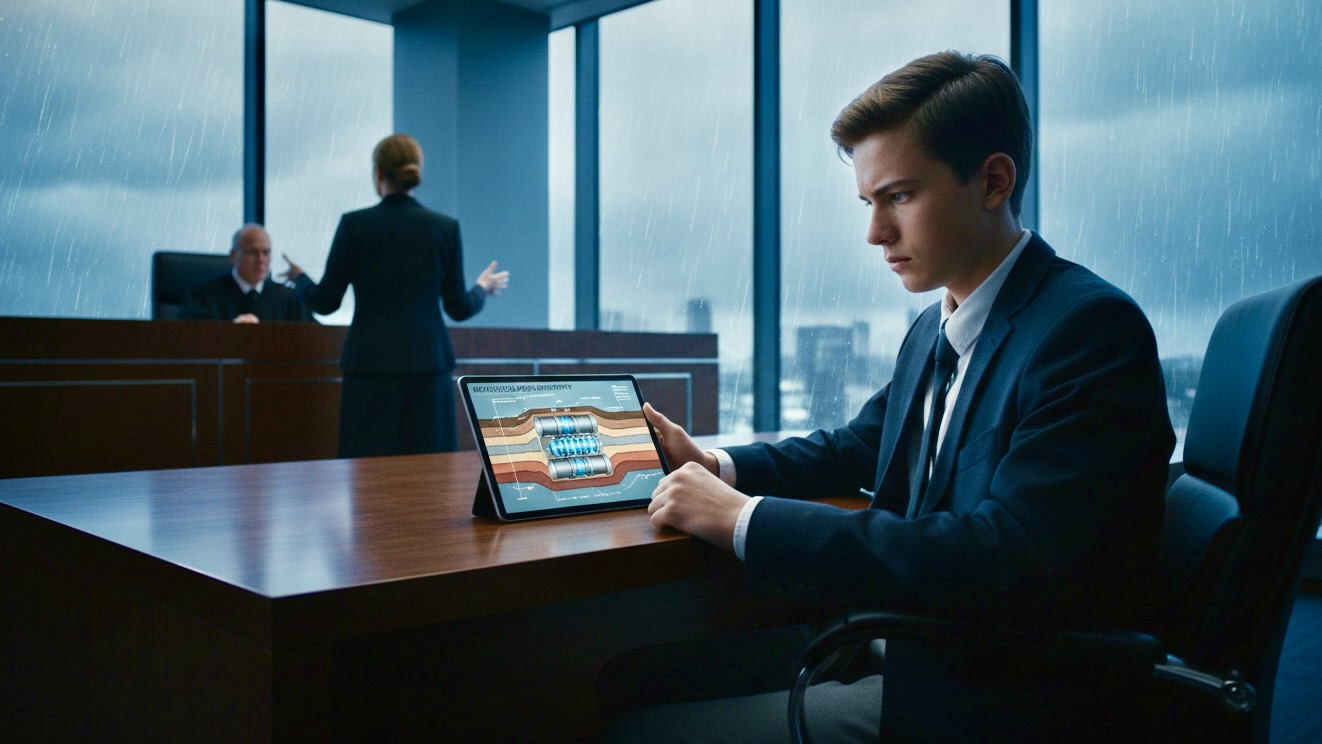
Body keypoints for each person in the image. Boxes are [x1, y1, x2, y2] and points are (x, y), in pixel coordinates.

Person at [597, 51, 1175, 742]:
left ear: (993, 180)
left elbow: (1005, 557)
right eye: (870, 203)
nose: (874, 233)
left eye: (900, 196)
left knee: (643, 731)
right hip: (904, 635)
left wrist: (746, 519)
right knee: (623, 679)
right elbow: (862, 446)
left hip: (991, 684)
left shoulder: (1085, 329)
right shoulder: (939, 323)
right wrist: (720, 468)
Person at [282, 133, 509, 458]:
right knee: (431, 477)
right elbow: (458, 307)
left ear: (378, 173)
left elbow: (325, 302)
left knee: (369, 478)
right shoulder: (444, 228)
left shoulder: (354, 226)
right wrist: (482, 289)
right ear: (416, 171)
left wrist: (299, 279)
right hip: (429, 367)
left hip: (370, 368)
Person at [180, 224, 315, 323]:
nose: (260, 260)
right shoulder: (203, 294)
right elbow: (190, 337)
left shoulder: (288, 298)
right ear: (233, 256)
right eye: (252, 252)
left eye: (266, 253)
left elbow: (315, 337)